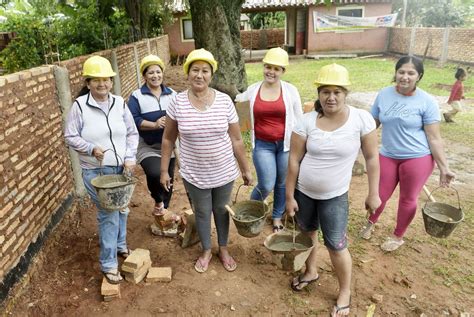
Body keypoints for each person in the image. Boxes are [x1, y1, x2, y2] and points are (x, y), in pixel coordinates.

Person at [286, 63, 380, 317]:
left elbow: (371, 158)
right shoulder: (306, 121)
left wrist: (374, 193)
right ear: (318, 93)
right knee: (308, 235)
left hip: (335, 196)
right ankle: (311, 271)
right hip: (304, 193)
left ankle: (345, 290)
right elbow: (294, 160)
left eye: (337, 91)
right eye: (325, 91)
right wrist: (289, 195)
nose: (331, 97)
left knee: (337, 245)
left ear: (346, 93)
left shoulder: (361, 119)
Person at [160, 48, 253, 273]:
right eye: (195, 70)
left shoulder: (224, 101)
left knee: (222, 210)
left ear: (211, 74)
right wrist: (165, 171)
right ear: (188, 73)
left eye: (204, 71)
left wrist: (245, 169)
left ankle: (223, 248)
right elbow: (168, 139)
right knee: (202, 211)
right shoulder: (177, 102)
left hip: (223, 170)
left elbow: (237, 139)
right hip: (194, 172)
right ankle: (206, 249)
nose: (199, 75)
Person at [359, 56, 456, 252]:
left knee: (408, 199)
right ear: (395, 73)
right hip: (387, 154)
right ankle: (370, 222)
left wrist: (444, 167)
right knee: (379, 194)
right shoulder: (384, 94)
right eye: (401, 72)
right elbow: (373, 123)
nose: (405, 77)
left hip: (417, 158)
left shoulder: (427, 101)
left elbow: (434, 137)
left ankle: (397, 236)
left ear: (419, 76)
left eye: (411, 73)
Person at [64, 55, 139, 284]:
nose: (102, 84)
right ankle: (108, 263)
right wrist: (89, 148)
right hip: (95, 172)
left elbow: (131, 133)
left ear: (111, 80)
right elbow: (70, 136)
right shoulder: (79, 106)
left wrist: (129, 158)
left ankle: (120, 245)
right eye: (96, 80)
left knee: (122, 208)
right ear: (87, 83)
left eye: (105, 79)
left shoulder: (119, 103)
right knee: (109, 215)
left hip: (121, 168)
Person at [235, 47, 303, 233]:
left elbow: (299, 120)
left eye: (276, 68)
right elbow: (241, 112)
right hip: (263, 145)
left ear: (282, 71)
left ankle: (276, 217)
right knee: (266, 183)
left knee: (282, 182)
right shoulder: (253, 89)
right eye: (268, 67)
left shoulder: (290, 91)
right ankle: (251, 210)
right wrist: (241, 129)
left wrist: (301, 146)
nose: (271, 72)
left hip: (286, 145)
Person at [128, 54, 178, 219]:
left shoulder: (172, 95)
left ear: (162, 73)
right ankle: (158, 201)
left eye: (158, 72)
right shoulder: (137, 96)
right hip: (147, 145)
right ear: (144, 75)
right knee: (155, 173)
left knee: (168, 178)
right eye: (150, 73)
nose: (155, 76)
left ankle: (164, 210)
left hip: (169, 145)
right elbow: (133, 120)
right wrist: (154, 125)